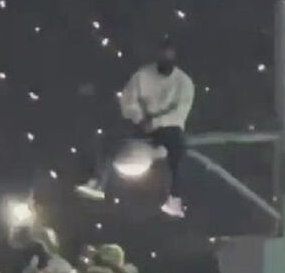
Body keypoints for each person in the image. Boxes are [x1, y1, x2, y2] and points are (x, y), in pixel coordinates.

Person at [76, 37, 196, 219]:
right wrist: (139, 117)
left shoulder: (184, 83)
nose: (165, 59)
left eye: (169, 56)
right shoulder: (142, 76)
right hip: (140, 122)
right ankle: (98, 182)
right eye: (163, 55)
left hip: (168, 127)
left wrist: (155, 122)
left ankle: (174, 198)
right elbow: (128, 100)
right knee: (108, 139)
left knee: (177, 150)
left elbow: (180, 113)